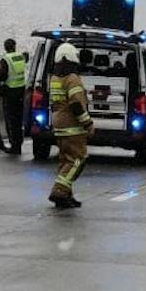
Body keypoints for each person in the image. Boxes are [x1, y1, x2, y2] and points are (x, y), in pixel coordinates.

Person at [48, 42, 95, 209]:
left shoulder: (54, 77)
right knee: (77, 160)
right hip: (72, 127)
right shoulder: (73, 79)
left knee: (65, 160)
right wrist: (88, 123)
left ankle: (66, 195)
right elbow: (76, 105)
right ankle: (59, 190)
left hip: (59, 125)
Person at [0, 37, 29, 155]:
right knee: (18, 119)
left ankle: (14, 145)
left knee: (11, 120)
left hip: (10, 92)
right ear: (14, 46)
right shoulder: (20, 56)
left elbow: (2, 76)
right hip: (21, 90)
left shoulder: (5, 59)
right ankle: (19, 142)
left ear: (5, 47)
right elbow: (26, 57)